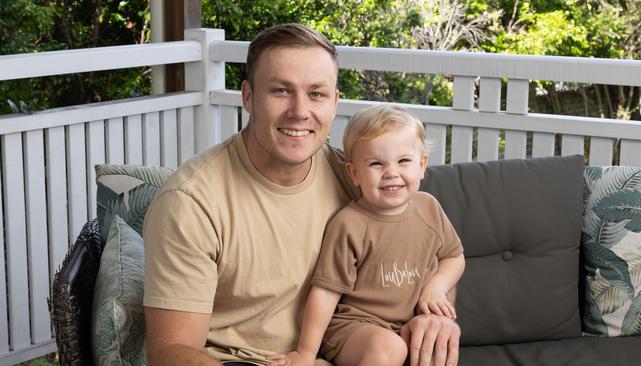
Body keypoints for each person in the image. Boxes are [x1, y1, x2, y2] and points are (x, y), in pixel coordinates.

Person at [143, 23, 461, 366]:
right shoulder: (190, 202)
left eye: (316, 94)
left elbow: (426, 255)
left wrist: (436, 314)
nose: (299, 111)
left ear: (335, 102)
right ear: (248, 97)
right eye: (281, 91)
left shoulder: (355, 177)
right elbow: (171, 353)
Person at [267, 105, 465, 366]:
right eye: (376, 164)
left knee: (430, 348)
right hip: (353, 328)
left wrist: (435, 288)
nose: (391, 172)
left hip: (406, 326)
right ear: (355, 173)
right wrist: (305, 352)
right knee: (390, 348)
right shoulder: (349, 223)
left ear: (422, 165)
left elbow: (454, 256)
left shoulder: (429, 208)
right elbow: (325, 292)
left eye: (403, 161)